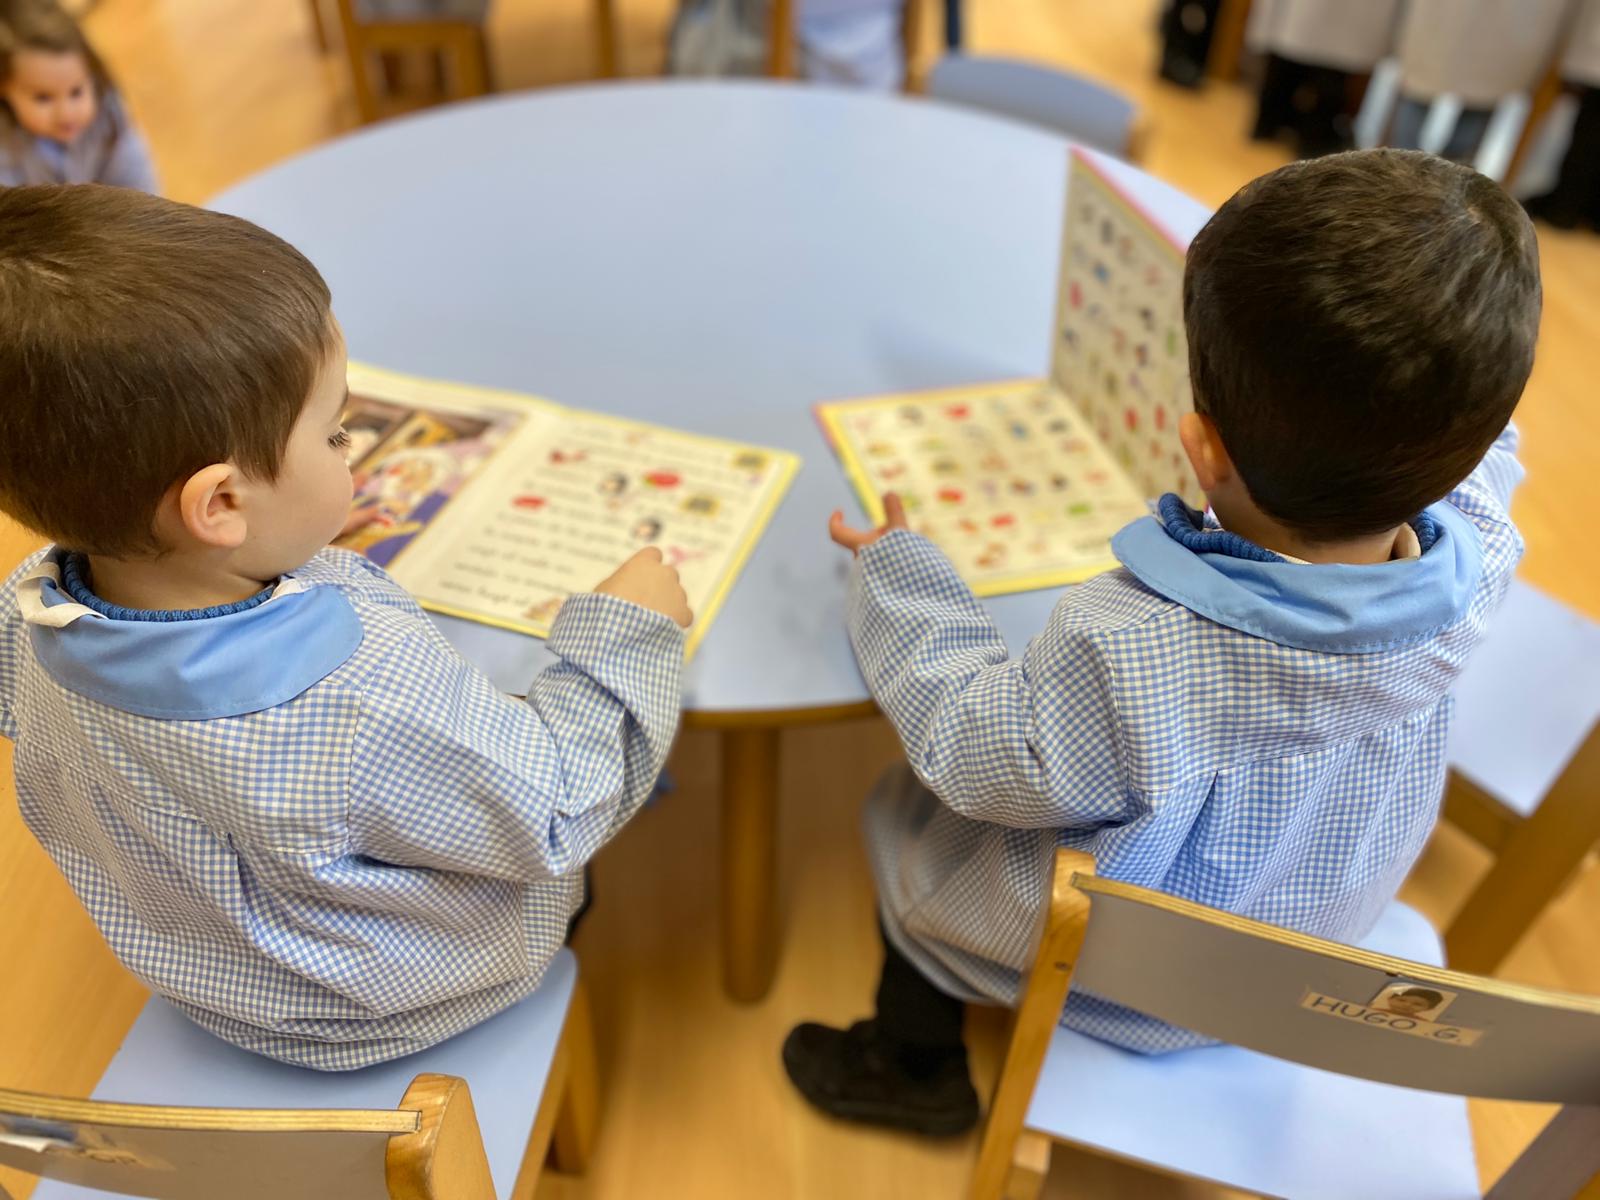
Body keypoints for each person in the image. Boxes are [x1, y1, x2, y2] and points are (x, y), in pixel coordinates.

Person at [783, 149, 1538, 1136]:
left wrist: (897, 575)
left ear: (1203, 450)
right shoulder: (1481, 558)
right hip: (1303, 952)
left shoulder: (1132, 649)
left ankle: (911, 1061)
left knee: (909, 832)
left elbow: (976, 749)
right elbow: (1491, 456)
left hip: (1111, 983)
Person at [0, 185, 691, 1070]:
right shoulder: (361, 696)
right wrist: (629, 630)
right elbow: (555, 808)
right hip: (396, 1005)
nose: (352, 450)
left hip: (220, 982)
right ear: (221, 505)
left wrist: (288, 532)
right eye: (335, 436)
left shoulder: (30, 609)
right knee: (579, 819)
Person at [0, 0, 157, 190]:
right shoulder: (5, 147)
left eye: (76, 92)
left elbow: (140, 183)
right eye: (43, 98)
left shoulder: (107, 112)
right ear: (4, 89)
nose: (66, 113)